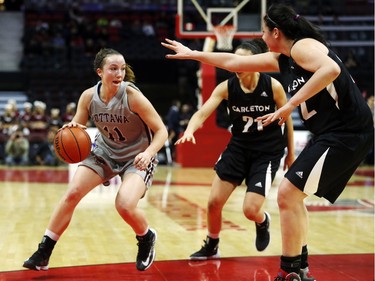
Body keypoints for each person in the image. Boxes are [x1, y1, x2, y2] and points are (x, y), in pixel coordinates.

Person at [162, 3, 374, 281]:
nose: (261, 38)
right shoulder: (283, 60)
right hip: (329, 133)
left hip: (347, 131)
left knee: (287, 194)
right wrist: (193, 54)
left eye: (263, 32)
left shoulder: (302, 47)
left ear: (276, 31)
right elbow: (234, 62)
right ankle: (299, 268)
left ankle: (290, 270)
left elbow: (331, 70)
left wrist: (289, 107)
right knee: (293, 197)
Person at [23, 48, 168, 272]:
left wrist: (148, 153)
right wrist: (67, 132)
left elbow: (161, 131)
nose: (119, 73)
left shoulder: (133, 96)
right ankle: (44, 251)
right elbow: (77, 128)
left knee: (124, 205)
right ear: (100, 72)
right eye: (113, 69)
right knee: (72, 194)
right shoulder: (89, 97)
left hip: (136, 157)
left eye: (122, 68)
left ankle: (146, 236)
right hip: (104, 152)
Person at [175, 39, 294, 260]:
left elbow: (287, 120)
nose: (235, 65)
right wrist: (190, 129)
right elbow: (202, 113)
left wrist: (291, 154)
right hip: (239, 148)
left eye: (242, 61)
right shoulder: (226, 88)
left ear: (256, 63)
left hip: (267, 153)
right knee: (213, 203)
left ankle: (262, 220)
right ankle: (212, 244)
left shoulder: (273, 87)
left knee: (250, 210)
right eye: (234, 60)